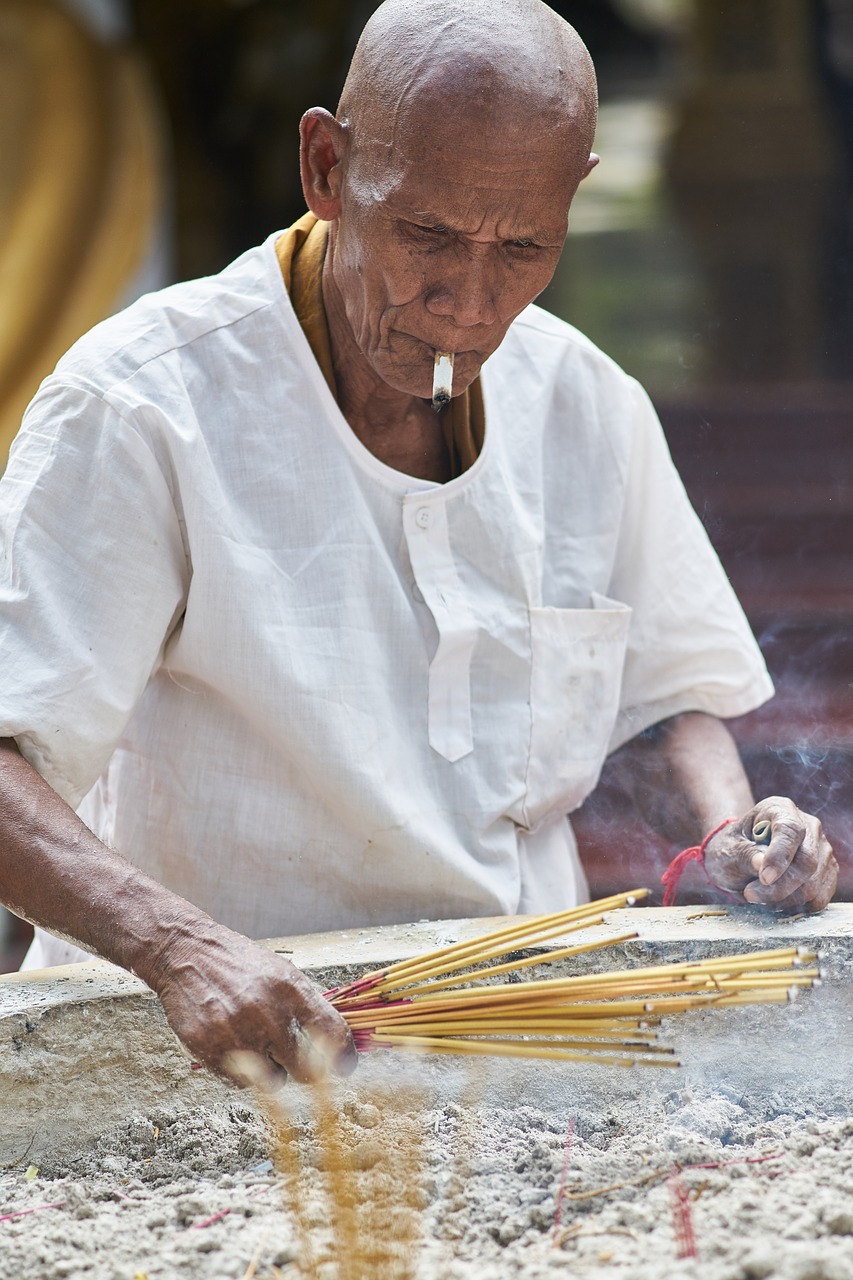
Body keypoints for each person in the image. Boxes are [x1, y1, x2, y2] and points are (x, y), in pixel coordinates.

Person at [0, 0, 837, 1087]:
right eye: (429, 236)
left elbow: (659, 706)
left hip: (524, 1048)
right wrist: (181, 947)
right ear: (327, 168)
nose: (467, 304)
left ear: (570, 201)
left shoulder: (587, 403)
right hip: (200, 1056)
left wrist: (741, 838)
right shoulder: (141, 405)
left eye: (522, 247)